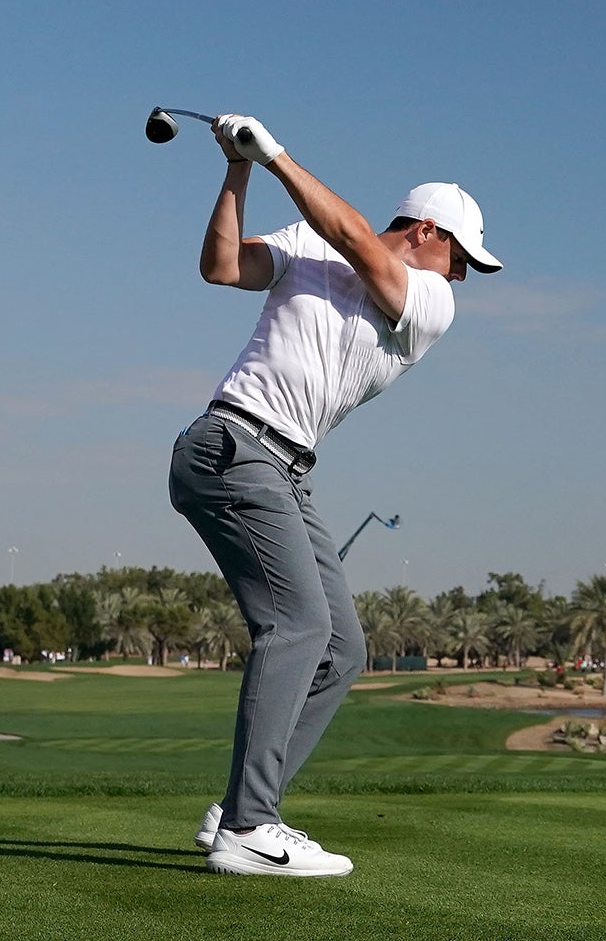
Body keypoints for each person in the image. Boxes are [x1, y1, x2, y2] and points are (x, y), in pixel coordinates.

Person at [171, 113, 500, 879]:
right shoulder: (309, 241)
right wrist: (238, 168)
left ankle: (243, 807)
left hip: (284, 469)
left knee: (342, 648)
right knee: (296, 626)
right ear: (426, 231)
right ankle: (250, 828)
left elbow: (356, 241)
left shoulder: (428, 305)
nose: (461, 279)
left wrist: (277, 154)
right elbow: (221, 266)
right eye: (461, 258)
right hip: (234, 447)